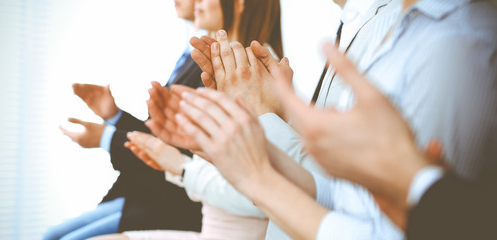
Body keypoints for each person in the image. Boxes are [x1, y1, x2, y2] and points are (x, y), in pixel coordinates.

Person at [150, 0, 497, 239]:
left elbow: (393, 224)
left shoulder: (456, 44)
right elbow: (348, 195)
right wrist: (231, 141)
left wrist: (235, 162)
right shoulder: (382, 26)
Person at [89, 0, 284, 239]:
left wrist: (182, 167)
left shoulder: (254, 69)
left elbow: (260, 181)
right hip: (204, 211)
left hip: (192, 208)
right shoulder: (221, 63)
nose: (196, 3)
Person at [46, 1, 203, 239]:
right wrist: (114, 117)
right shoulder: (191, 54)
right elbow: (162, 137)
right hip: (145, 190)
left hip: (168, 202)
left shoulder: (212, 63)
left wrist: (105, 138)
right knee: (51, 235)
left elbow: (180, 151)